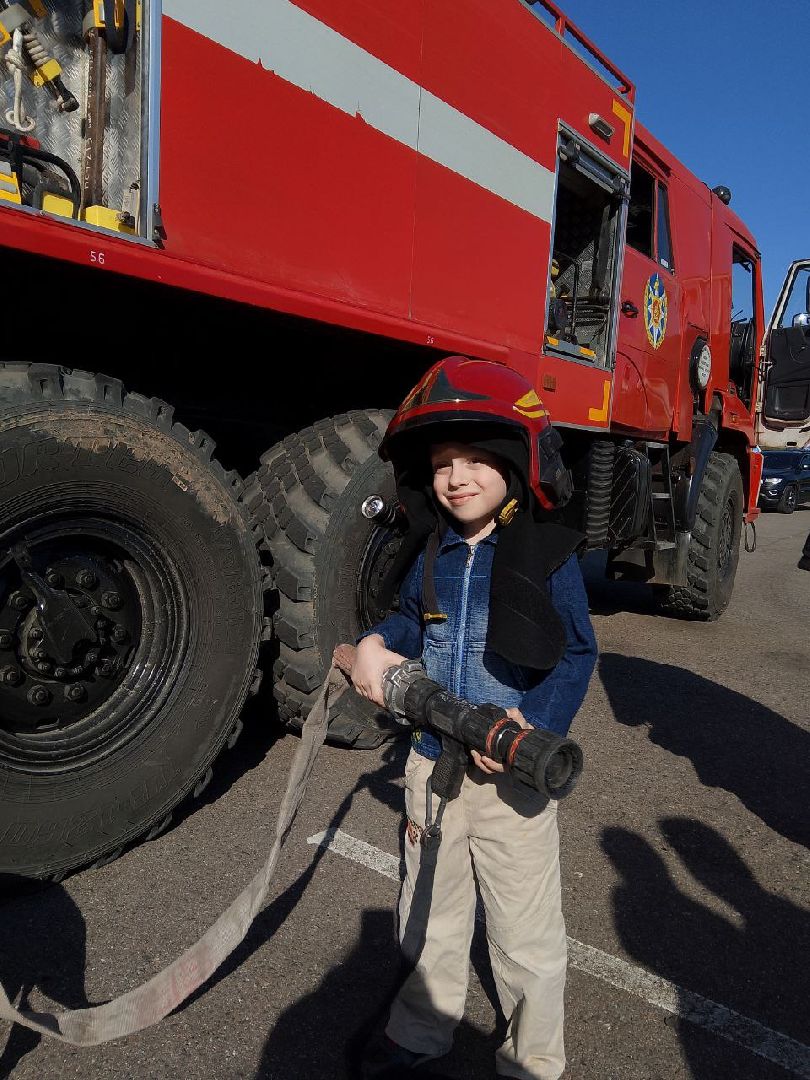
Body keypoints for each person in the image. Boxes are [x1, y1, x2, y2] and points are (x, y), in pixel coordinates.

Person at [346, 356, 598, 1080]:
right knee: (429, 911)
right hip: (429, 762)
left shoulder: (545, 555)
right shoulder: (434, 551)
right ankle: (421, 1029)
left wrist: (531, 719)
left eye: (475, 461)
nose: (456, 478)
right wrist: (372, 644)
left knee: (525, 932)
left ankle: (533, 1057)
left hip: (510, 777)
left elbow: (578, 653)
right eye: (442, 464)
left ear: (514, 465)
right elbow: (405, 623)